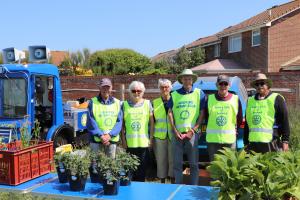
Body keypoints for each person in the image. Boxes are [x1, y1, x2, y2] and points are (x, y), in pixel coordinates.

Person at [168, 69, 205, 185]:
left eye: (189, 78)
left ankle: (194, 186)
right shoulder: (174, 94)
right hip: (177, 134)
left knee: (194, 164)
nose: (187, 80)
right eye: (184, 78)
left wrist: (193, 130)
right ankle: (178, 186)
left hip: (192, 134)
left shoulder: (199, 93)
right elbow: (170, 113)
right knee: (177, 164)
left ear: (192, 80)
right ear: (181, 80)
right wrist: (174, 130)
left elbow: (202, 113)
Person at [244, 73, 290, 153]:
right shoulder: (250, 100)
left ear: (268, 85)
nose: (259, 86)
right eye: (257, 84)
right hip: (253, 144)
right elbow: (247, 124)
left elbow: (284, 120)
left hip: (272, 143)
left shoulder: (277, 98)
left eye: (262, 83)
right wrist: (245, 142)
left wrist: (285, 141)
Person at [121, 81, 154, 182]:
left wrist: (151, 139)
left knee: (142, 171)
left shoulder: (148, 104)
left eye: (139, 91)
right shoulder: (124, 105)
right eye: (134, 91)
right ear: (130, 92)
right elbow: (121, 125)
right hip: (130, 145)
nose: (136, 93)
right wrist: (123, 140)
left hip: (143, 144)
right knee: (129, 171)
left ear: (143, 91)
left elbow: (152, 123)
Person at [205, 75, 243, 161]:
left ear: (229, 85)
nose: (223, 86)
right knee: (215, 165)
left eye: (225, 84)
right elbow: (207, 117)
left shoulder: (235, 99)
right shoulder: (209, 99)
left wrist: (235, 129)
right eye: (220, 84)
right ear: (216, 85)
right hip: (213, 140)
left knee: (229, 166)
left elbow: (239, 118)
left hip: (229, 140)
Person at [87, 78, 123, 159]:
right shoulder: (92, 102)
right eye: (103, 87)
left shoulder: (117, 103)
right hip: (96, 140)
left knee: (110, 166)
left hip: (111, 140)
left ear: (111, 88)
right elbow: (90, 121)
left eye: (108, 87)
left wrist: (109, 135)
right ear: (99, 88)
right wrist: (101, 136)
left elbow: (119, 122)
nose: (105, 90)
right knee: (94, 166)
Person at [152, 79, 174, 183]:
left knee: (173, 160)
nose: (164, 89)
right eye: (162, 87)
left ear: (170, 88)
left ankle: (173, 182)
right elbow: (152, 121)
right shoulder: (154, 103)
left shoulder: (175, 100)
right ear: (159, 89)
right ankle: (162, 182)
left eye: (166, 87)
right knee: (161, 161)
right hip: (159, 136)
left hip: (173, 135)